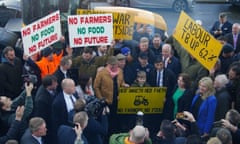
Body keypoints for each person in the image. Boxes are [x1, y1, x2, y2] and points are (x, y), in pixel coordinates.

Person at [94, 56, 129, 135]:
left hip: (118, 99)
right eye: (112, 65)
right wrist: (101, 99)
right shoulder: (102, 73)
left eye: (115, 65)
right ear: (108, 64)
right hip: (106, 101)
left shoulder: (120, 71)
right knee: (108, 120)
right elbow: (96, 87)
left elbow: (121, 82)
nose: (114, 66)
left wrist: (124, 85)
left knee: (117, 119)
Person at [52, 78, 79, 143]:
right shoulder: (58, 102)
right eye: (72, 86)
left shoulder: (75, 95)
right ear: (65, 88)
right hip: (67, 129)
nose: (75, 88)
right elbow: (56, 121)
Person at [34, 75, 58, 143]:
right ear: (49, 85)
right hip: (48, 126)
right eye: (55, 83)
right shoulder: (41, 100)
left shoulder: (50, 90)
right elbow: (42, 116)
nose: (57, 84)